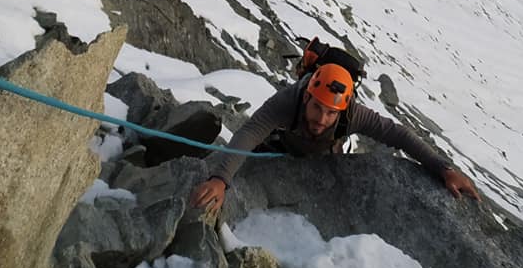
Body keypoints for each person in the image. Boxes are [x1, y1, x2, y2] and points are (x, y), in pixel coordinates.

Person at [191, 62, 480, 211]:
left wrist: (444, 170)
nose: (322, 118)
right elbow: (250, 133)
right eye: (317, 107)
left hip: (327, 157)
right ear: (306, 96)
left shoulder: (352, 114)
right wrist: (220, 179)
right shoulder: (287, 101)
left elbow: (398, 135)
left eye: (331, 113)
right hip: (284, 148)